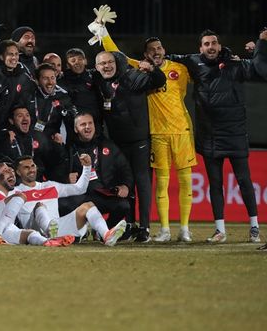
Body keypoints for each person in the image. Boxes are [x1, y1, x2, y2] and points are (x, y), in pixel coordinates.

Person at [96, 15, 197, 242]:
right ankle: (160, 229)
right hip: (156, 134)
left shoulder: (179, 68)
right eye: (151, 49)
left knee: (181, 180)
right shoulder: (131, 70)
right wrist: (102, 32)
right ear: (145, 55)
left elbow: (203, 72)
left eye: (159, 47)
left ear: (164, 49)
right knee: (152, 182)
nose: (156, 51)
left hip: (179, 132)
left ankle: (184, 228)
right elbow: (115, 55)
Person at [168, 28, 267, 243]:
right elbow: (167, 59)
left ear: (219, 46)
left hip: (235, 133)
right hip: (210, 135)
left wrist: (260, 46)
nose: (210, 47)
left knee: (244, 181)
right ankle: (220, 230)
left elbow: (261, 70)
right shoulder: (193, 62)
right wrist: (152, 59)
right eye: (206, 44)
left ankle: (255, 228)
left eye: (214, 43)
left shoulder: (235, 64)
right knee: (215, 184)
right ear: (200, 48)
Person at [93, 50, 166, 242]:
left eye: (110, 62)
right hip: (117, 144)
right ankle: (129, 225)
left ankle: (145, 228)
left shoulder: (132, 76)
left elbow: (159, 81)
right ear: (97, 67)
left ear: (116, 63)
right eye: (102, 64)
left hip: (139, 141)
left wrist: (152, 69)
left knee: (142, 183)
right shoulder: (99, 82)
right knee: (125, 184)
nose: (106, 66)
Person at [13, 155, 127, 246]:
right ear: (18, 172)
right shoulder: (15, 193)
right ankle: (50, 235)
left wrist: (87, 167)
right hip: (34, 232)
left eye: (32, 166)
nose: (31, 170)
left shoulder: (49, 186)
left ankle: (107, 236)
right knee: (39, 206)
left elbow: (79, 189)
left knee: (88, 206)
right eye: (26, 168)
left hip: (56, 227)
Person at [61, 113, 133, 231]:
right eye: (83, 124)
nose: (87, 127)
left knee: (123, 205)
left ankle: (105, 229)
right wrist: (66, 178)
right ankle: (75, 230)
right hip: (79, 197)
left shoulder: (108, 145)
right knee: (62, 204)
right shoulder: (68, 149)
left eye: (90, 123)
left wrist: (125, 185)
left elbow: (125, 169)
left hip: (102, 195)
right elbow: (55, 173)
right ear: (75, 129)